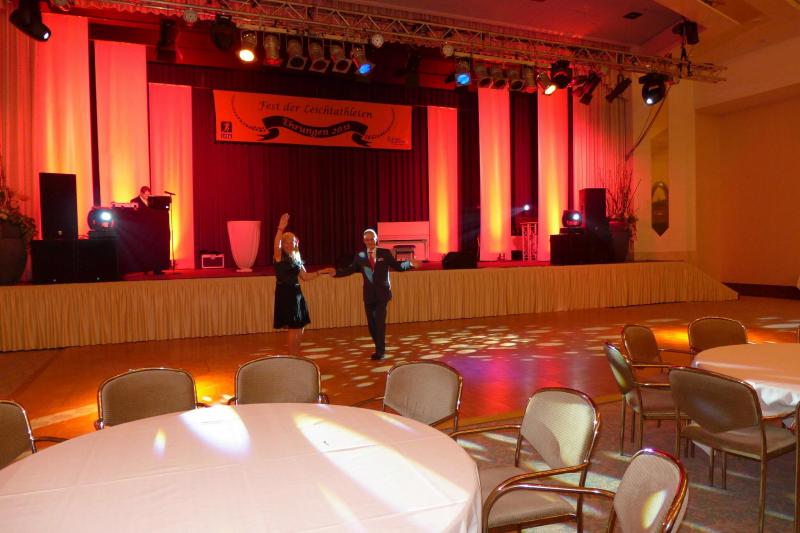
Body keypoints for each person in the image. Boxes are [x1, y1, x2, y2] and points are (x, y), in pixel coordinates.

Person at [335, 228, 421, 360]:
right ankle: (379, 346)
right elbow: (350, 270)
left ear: (376, 239)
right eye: (367, 240)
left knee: (380, 322)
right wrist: (336, 273)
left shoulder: (385, 253)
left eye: (372, 239)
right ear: (364, 241)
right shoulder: (360, 256)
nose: (369, 242)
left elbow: (397, 266)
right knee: (372, 325)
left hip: (382, 294)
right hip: (369, 295)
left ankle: (380, 351)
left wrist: (409, 264)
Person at [273, 213, 334, 354]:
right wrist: (280, 228)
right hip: (285, 293)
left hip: (296, 294)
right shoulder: (279, 256)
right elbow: (276, 244)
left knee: (300, 326)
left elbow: (305, 276)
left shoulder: (296, 258)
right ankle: (292, 356)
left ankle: (295, 353)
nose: (289, 244)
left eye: (292, 242)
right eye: (286, 242)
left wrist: (322, 271)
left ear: (296, 244)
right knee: (293, 326)